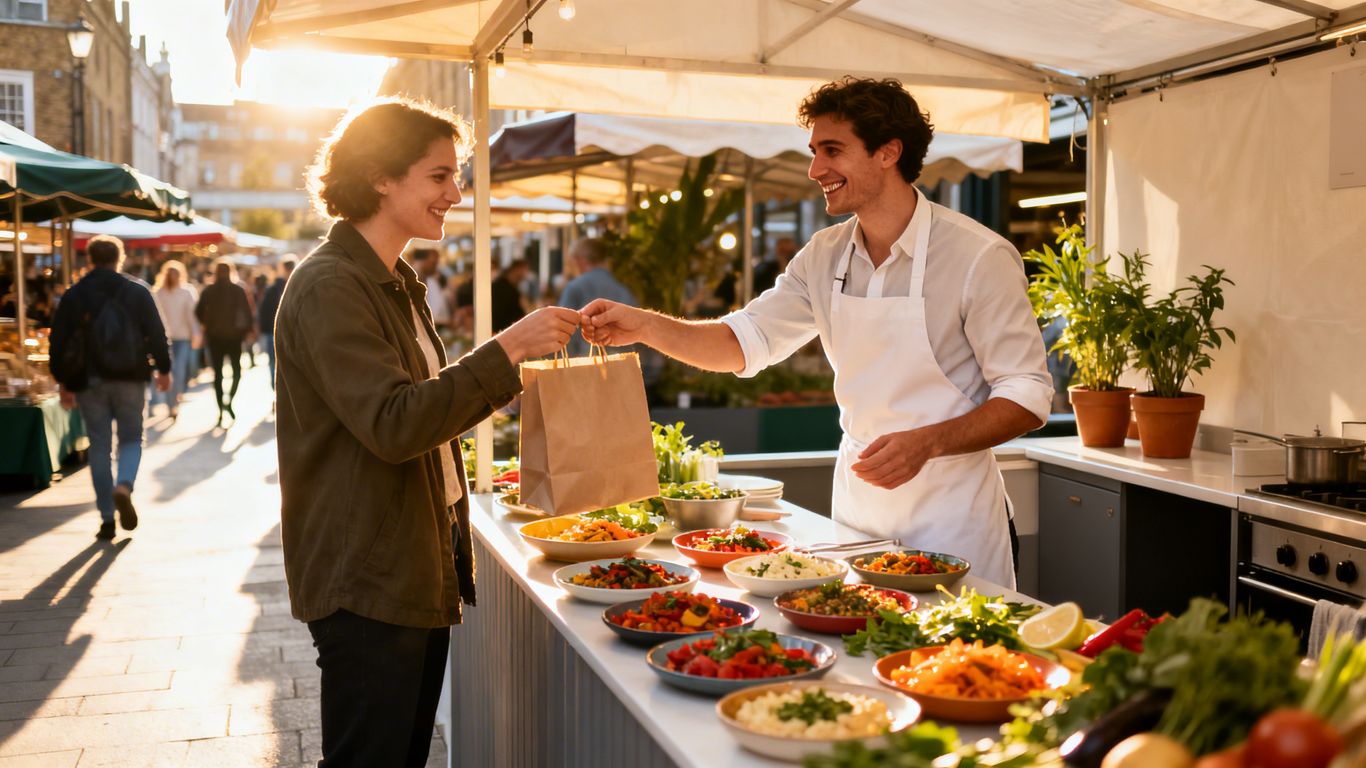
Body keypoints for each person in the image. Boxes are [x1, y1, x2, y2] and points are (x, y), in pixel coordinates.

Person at [582, 78, 1052, 588]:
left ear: (888, 152)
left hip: (954, 518)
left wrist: (929, 442)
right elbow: (742, 342)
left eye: (833, 150)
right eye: (814, 152)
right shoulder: (823, 255)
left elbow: (1027, 395)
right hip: (857, 512)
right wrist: (647, 326)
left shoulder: (979, 256)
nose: (815, 170)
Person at [276, 97, 579, 768]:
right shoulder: (331, 284)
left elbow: (416, 408)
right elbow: (393, 423)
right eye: (439, 176)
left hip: (410, 559)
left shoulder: (391, 283)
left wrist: (516, 387)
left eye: (456, 175)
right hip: (368, 572)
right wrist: (504, 352)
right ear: (382, 176)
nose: (456, 192)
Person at [48, 235, 171, 541]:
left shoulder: (75, 295)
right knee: (131, 438)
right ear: (121, 258)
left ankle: (106, 518)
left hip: (90, 381)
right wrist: (164, 368)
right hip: (131, 377)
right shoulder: (138, 291)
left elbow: (58, 341)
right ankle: (124, 485)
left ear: (89, 259)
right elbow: (156, 333)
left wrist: (63, 380)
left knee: (99, 445)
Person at [195, 258, 253, 427]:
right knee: (236, 373)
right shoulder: (238, 290)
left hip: (215, 338)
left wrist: (207, 325)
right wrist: (246, 331)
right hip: (234, 338)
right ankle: (228, 403)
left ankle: (222, 408)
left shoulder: (209, 290)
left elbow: (198, 312)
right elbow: (248, 313)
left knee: (218, 375)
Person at [557, 237, 637, 355]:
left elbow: (562, 331)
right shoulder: (623, 290)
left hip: (585, 366)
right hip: (623, 364)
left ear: (581, 260)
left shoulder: (574, 288)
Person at [151, 259, 200, 419]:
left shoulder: (187, 291)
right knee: (167, 370)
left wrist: (196, 333)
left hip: (183, 337)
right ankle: (170, 403)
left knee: (178, 370)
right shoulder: (159, 293)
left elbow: (192, 316)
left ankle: (174, 402)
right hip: (164, 338)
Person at [256, 256, 297, 390]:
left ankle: (277, 391)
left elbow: (264, 310)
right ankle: (281, 392)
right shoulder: (298, 285)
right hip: (291, 333)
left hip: (273, 331)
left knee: (275, 364)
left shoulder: (274, 288)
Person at [408, 248, 452, 330]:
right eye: (433, 263)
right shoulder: (407, 281)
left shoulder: (431, 281)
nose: (436, 266)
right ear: (422, 261)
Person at [491, 258, 529, 332]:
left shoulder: (508, 286)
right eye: (525, 270)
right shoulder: (502, 288)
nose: (525, 274)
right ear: (517, 269)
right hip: (502, 332)